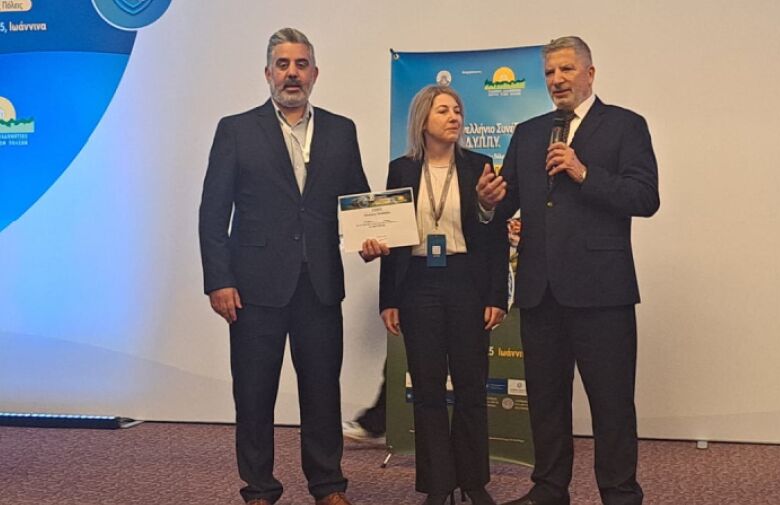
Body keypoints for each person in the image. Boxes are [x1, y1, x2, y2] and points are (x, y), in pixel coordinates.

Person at [199, 28, 381, 505]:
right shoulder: (236, 130)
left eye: (301, 64)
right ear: (268, 73)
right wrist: (219, 280)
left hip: (319, 285)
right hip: (253, 288)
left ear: (315, 73)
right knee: (254, 394)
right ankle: (259, 488)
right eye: (283, 65)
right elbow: (213, 213)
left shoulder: (341, 130)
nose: (292, 73)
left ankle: (328, 485)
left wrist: (368, 238)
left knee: (322, 391)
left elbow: (356, 201)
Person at [476, 36, 660, 505]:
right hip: (540, 291)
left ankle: (620, 494)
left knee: (612, 403)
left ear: (590, 73)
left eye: (566, 70)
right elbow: (505, 203)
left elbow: (645, 197)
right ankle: (549, 490)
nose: (557, 80)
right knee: (546, 402)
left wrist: (584, 173)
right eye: (549, 73)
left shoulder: (625, 125)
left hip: (603, 292)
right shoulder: (529, 132)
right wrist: (488, 202)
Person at [370, 85, 509, 505]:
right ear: (422, 120)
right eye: (443, 110)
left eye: (458, 110)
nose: (454, 117)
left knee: (471, 386)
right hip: (417, 284)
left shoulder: (479, 165)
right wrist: (388, 299)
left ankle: (473, 482)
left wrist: (497, 296)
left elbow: (495, 234)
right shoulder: (401, 170)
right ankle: (438, 484)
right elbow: (391, 241)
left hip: (466, 281)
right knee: (427, 390)